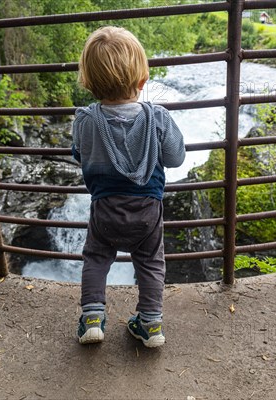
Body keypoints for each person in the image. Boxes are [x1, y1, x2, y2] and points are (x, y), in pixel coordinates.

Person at [72, 26, 185, 348]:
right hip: (148, 211)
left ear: (88, 82)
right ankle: (150, 324)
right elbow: (175, 159)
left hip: (104, 208)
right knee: (150, 262)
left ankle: (92, 317)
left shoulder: (84, 119)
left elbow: (79, 154)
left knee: (96, 257)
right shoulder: (157, 118)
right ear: (142, 80)